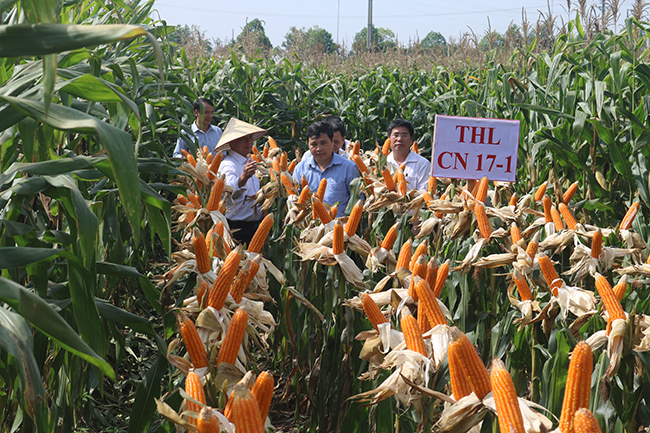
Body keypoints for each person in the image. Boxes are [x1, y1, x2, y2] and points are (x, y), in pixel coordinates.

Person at [216, 118, 268, 245]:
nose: (248, 142)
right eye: (242, 139)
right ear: (232, 143)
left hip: (254, 226)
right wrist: (242, 178)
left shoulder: (249, 160)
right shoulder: (229, 165)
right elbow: (227, 191)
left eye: (250, 138)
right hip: (237, 228)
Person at [293, 121, 359, 214]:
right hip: (308, 227)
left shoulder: (349, 168)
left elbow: (357, 201)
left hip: (339, 226)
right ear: (308, 144)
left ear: (332, 142)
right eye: (314, 144)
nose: (319, 148)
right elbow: (294, 199)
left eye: (323, 143)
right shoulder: (300, 169)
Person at [386, 118, 430, 191]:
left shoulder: (423, 164)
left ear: (411, 140)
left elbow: (424, 193)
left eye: (404, 135)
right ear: (389, 139)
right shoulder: (382, 164)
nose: (399, 139)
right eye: (396, 135)